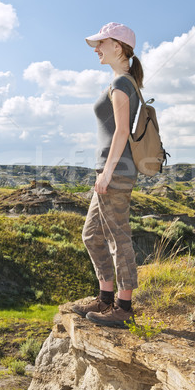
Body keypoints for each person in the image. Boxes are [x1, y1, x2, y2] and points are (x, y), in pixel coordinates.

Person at [71, 22, 143, 328]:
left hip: (115, 172)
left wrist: (106, 174)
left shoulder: (121, 84)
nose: (97, 49)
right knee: (91, 235)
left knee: (118, 238)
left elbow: (122, 132)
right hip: (112, 171)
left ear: (119, 47)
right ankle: (105, 297)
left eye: (102, 43)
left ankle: (124, 308)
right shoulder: (122, 81)